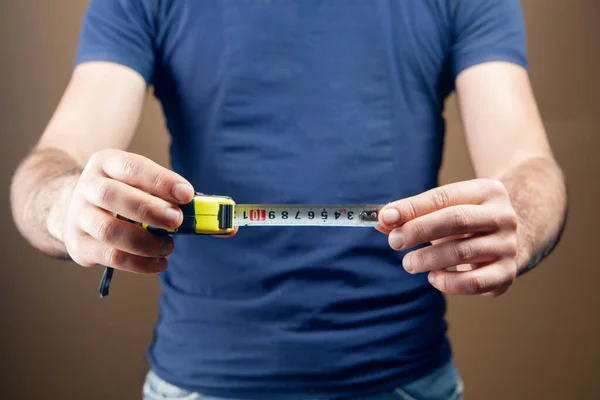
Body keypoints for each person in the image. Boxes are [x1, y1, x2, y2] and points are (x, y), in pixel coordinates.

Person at [10, 0, 567, 399]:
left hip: (406, 377)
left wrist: (517, 215)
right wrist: (66, 204)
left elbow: (528, 164)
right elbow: (51, 163)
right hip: (199, 383)